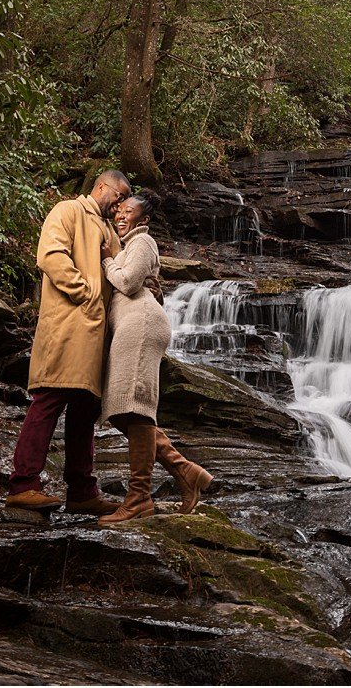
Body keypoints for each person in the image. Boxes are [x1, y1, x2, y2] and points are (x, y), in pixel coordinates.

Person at [4, 169, 132, 514]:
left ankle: (82, 491)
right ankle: (24, 484)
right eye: (117, 195)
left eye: (124, 200)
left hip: (97, 337)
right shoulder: (68, 211)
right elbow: (50, 256)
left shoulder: (109, 231)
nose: (119, 204)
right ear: (100, 186)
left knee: (85, 410)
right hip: (68, 328)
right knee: (49, 397)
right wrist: (86, 292)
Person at [96, 192, 213, 524]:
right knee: (120, 409)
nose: (120, 215)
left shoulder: (143, 242)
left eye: (128, 212)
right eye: (119, 210)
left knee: (134, 407)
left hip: (141, 323)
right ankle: (184, 470)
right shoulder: (127, 245)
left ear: (142, 220)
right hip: (132, 324)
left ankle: (138, 498)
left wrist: (107, 261)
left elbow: (129, 282)